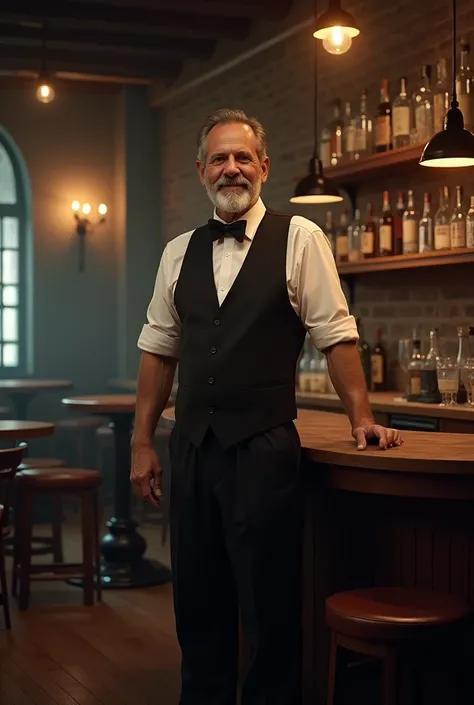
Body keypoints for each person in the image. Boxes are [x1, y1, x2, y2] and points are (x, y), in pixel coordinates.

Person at [130, 108, 402, 705]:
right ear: (202, 170)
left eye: (243, 157)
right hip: (192, 449)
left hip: (264, 449)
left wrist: (361, 417)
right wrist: (143, 442)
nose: (232, 168)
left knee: (269, 609)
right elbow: (158, 350)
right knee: (197, 607)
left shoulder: (301, 237)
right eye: (220, 159)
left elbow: (337, 335)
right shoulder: (177, 252)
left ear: (264, 168)